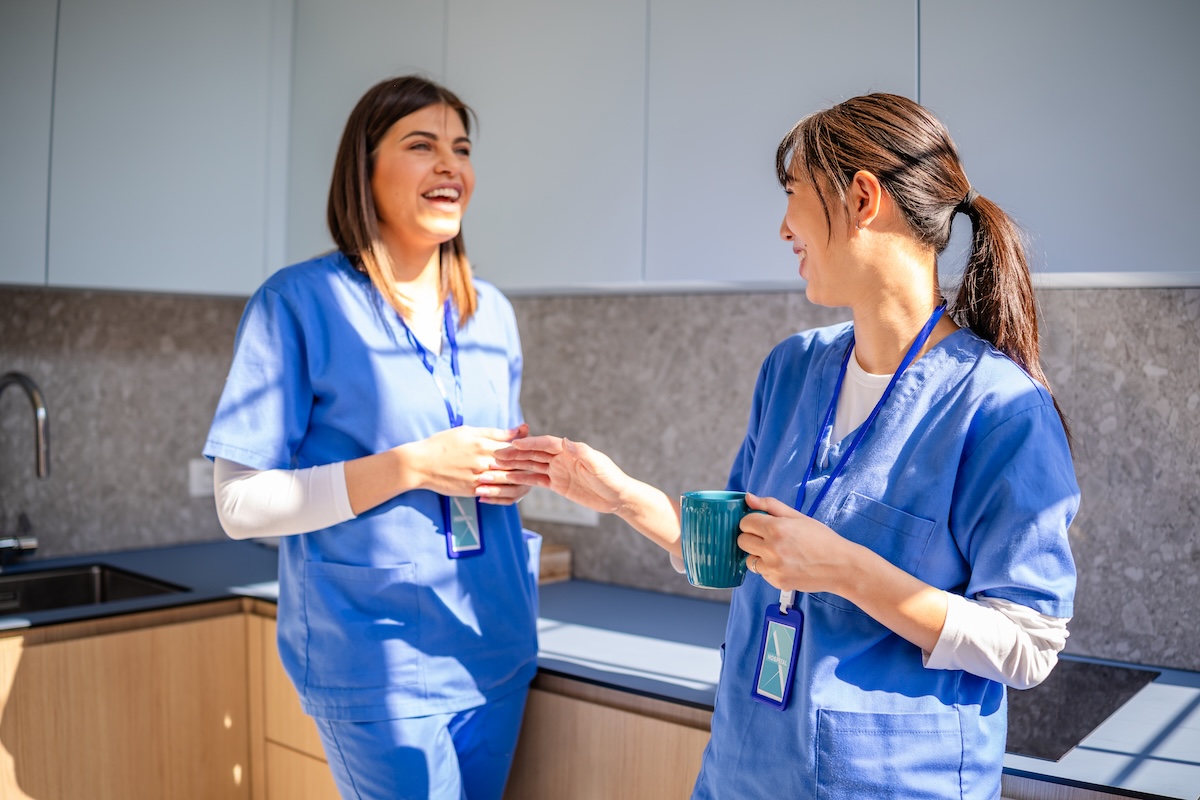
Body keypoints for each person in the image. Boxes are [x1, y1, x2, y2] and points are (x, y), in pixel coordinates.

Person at [497, 93, 1078, 799]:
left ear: (862, 198)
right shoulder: (792, 369)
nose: (782, 226)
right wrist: (622, 498)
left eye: (794, 194)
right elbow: (742, 553)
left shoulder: (1000, 406)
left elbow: (1028, 645)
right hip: (744, 769)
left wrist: (848, 570)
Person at [203, 75, 539, 800]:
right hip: (375, 657)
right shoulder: (297, 305)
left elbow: (477, 467)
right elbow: (240, 504)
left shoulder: (495, 316)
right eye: (421, 145)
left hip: (495, 645)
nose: (450, 164)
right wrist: (413, 465)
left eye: (461, 148)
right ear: (366, 169)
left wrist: (510, 471)